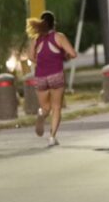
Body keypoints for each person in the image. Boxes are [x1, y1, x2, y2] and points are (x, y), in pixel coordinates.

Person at [27, 11, 75, 146]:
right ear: (54, 23)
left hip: (40, 77)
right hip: (56, 75)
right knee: (56, 107)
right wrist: (63, 56)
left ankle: (41, 114)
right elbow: (72, 53)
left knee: (46, 107)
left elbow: (30, 57)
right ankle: (52, 137)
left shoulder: (36, 39)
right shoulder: (59, 37)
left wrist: (42, 61)